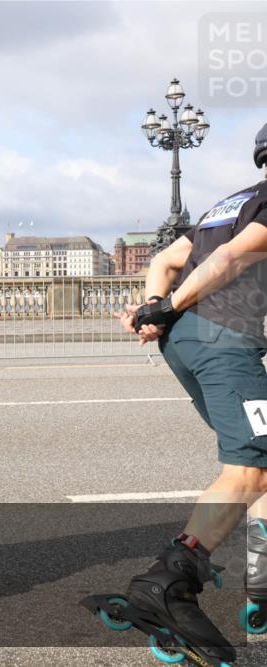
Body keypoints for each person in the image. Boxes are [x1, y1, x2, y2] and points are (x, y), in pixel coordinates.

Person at [114, 122, 267, 661]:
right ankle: (168, 587)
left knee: (259, 460)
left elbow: (164, 260)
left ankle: (261, 576)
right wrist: (164, 308)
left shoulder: (232, 202)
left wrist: (157, 313)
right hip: (225, 339)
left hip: (187, 342)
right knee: (249, 466)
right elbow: (227, 263)